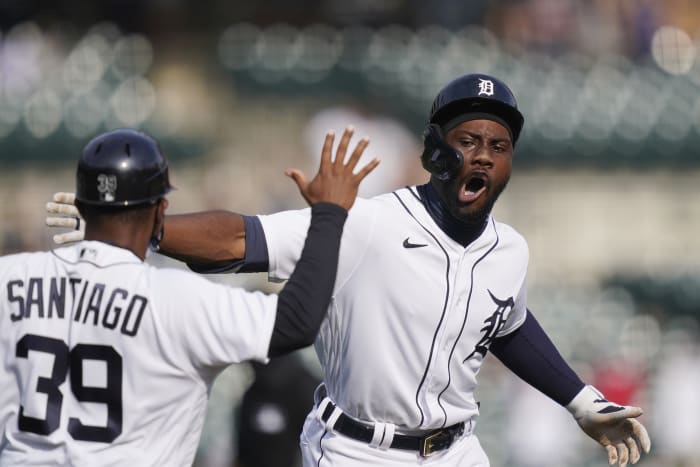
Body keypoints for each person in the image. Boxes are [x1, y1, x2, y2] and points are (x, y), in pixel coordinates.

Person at [45, 74, 651, 467]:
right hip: (357, 451)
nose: (484, 156)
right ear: (434, 151)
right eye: (468, 141)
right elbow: (238, 238)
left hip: (458, 452)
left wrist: (579, 401)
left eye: (498, 145)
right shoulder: (365, 224)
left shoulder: (509, 249)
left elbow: (510, 324)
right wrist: (128, 225)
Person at [4, 127, 378, 466]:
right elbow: (295, 323)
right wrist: (328, 214)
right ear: (162, 209)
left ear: (80, 206)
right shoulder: (175, 299)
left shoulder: (10, 277)